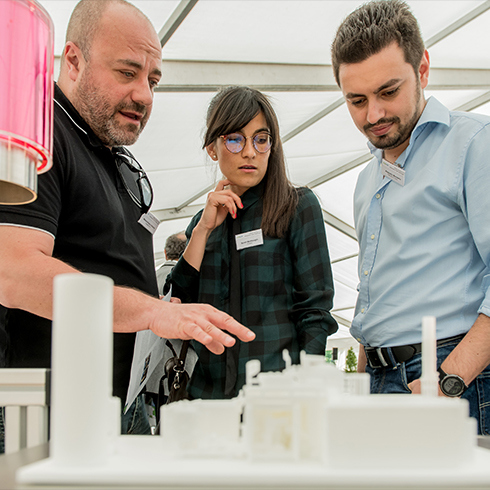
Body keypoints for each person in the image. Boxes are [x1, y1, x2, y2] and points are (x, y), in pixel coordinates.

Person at [0, 0, 254, 444]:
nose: (145, 95)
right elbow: (14, 269)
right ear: (73, 60)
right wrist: (151, 312)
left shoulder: (101, 149)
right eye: (127, 72)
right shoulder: (39, 133)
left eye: (153, 80)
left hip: (117, 406)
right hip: (44, 421)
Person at [331, 0, 490, 434]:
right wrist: (362, 380)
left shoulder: (475, 145)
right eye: (356, 100)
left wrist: (449, 379)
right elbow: (372, 294)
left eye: (388, 92)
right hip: (381, 380)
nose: (373, 115)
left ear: (422, 71)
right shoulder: (367, 179)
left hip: (454, 378)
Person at [167, 86, 338, 399]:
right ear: (212, 148)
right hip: (207, 397)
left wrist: (305, 387)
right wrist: (203, 229)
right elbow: (179, 299)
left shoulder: (297, 206)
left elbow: (315, 311)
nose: (249, 152)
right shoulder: (203, 222)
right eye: (235, 139)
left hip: (275, 397)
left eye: (261, 139)